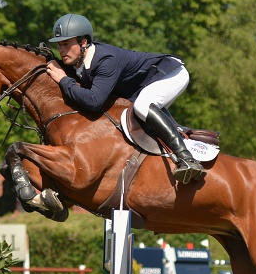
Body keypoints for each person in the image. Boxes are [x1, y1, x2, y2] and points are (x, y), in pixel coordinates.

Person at [45, 13, 205, 184]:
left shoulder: (106, 60)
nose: (61, 50)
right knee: (139, 114)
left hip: (171, 74)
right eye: (59, 45)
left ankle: (186, 158)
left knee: (143, 106)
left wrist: (63, 79)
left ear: (84, 42)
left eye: (66, 44)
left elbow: (93, 101)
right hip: (147, 84)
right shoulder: (81, 61)